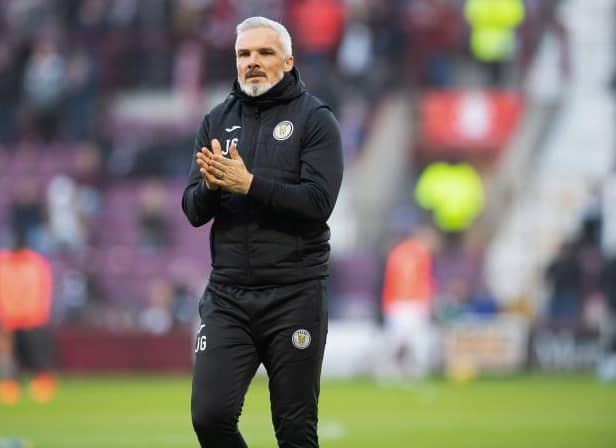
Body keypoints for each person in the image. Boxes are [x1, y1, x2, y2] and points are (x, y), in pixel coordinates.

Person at [181, 16, 343, 448]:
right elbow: (192, 209)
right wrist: (213, 188)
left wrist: (250, 184)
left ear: (288, 61)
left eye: (264, 53)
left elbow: (318, 203)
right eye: (244, 54)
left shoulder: (315, 121)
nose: (252, 62)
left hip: (295, 295)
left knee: (294, 429)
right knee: (209, 417)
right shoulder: (216, 121)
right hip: (229, 297)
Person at [0, 232, 56, 405]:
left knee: (36, 355)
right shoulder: (4, 263)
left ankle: (42, 387)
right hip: (10, 317)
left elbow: (44, 288)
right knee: (8, 355)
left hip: (31, 317)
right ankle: (9, 387)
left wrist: (41, 312)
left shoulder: (35, 263)